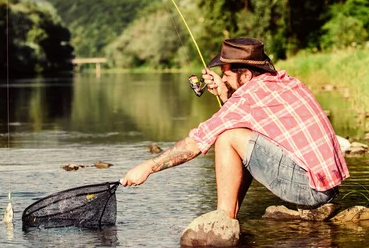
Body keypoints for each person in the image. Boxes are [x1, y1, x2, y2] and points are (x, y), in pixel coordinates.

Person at [121, 37, 349, 219]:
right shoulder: (284, 82)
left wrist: (148, 167)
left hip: (310, 190)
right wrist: (225, 91)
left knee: (227, 138)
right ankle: (230, 215)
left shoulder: (246, 99)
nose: (223, 78)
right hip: (326, 186)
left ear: (246, 74)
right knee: (244, 134)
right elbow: (251, 113)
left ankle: (224, 217)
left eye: (226, 74)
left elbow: (195, 143)